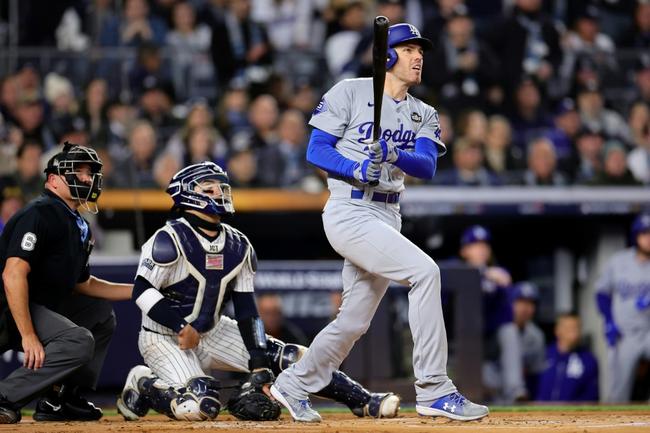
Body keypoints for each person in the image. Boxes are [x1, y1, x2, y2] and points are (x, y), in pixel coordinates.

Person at [270, 23, 489, 423]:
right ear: (386, 56)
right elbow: (316, 151)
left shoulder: (424, 111)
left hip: (388, 212)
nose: (418, 56)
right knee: (426, 273)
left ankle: (294, 383)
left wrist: (389, 153)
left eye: (420, 50)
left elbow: (425, 165)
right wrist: (356, 167)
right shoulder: (349, 91)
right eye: (408, 49)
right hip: (349, 209)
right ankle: (435, 388)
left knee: (353, 321)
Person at [115, 161, 400, 422]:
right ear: (188, 194)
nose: (220, 193)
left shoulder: (238, 244)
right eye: (210, 188)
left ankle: (363, 401)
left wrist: (259, 361)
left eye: (222, 187)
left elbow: (246, 309)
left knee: (292, 357)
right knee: (199, 405)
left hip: (212, 330)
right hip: (164, 336)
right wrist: (179, 326)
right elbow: (141, 289)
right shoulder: (168, 238)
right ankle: (144, 383)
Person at [0, 143, 133, 424]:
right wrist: (28, 335)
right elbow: (12, 274)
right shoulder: (40, 212)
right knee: (77, 340)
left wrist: (140, 290)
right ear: (53, 180)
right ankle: (5, 396)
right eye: (78, 172)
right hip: (7, 307)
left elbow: (82, 284)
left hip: (33, 305)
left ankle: (59, 397)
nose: (87, 179)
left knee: (99, 314)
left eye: (89, 173)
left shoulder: (77, 222)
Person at [595, 213, 650, 402]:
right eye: (644, 233)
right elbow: (602, 293)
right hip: (625, 332)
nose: (648, 238)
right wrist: (609, 321)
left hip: (649, 330)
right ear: (636, 236)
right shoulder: (619, 262)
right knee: (619, 389)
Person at [536, 312, 599, 402]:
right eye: (569, 328)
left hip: (573, 414)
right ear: (557, 330)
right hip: (540, 413)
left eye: (577, 327)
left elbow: (592, 397)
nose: (574, 332)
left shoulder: (588, 360)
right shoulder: (544, 354)